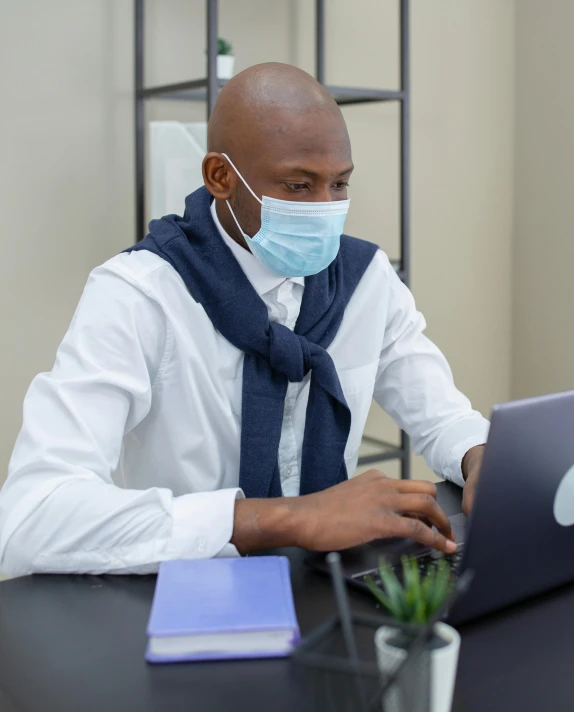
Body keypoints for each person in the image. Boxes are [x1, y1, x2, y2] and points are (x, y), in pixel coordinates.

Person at [0, 63, 488, 576]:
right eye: (298, 186)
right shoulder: (139, 294)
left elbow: (444, 416)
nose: (325, 208)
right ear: (220, 177)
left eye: (339, 184)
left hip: (335, 590)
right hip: (177, 595)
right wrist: (283, 519)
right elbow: (31, 516)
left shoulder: (367, 280)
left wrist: (480, 458)